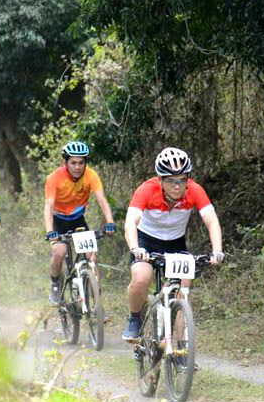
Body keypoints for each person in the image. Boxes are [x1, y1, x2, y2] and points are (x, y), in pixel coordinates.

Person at [122, 147, 224, 341]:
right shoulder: (146, 190)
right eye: (171, 180)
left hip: (175, 243)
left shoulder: (194, 190)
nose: (177, 186)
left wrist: (217, 250)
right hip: (146, 242)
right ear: (160, 180)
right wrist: (135, 248)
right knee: (142, 278)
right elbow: (130, 222)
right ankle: (134, 318)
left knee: (181, 290)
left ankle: (181, 348)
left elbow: (211, 220)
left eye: (182, 180)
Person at [44, 141, 116, 305]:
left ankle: (97, 305)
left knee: (92, 259)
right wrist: (50, 231)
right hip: (58, 221)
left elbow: (102, 200)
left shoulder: (91, 175)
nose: (77, 167)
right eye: (73, 163)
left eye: (81, 163)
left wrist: (110, 222)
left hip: (78, 221)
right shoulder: (54, 177)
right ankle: (55, 284)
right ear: (66, 162)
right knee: (59, 252)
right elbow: (48, 206)